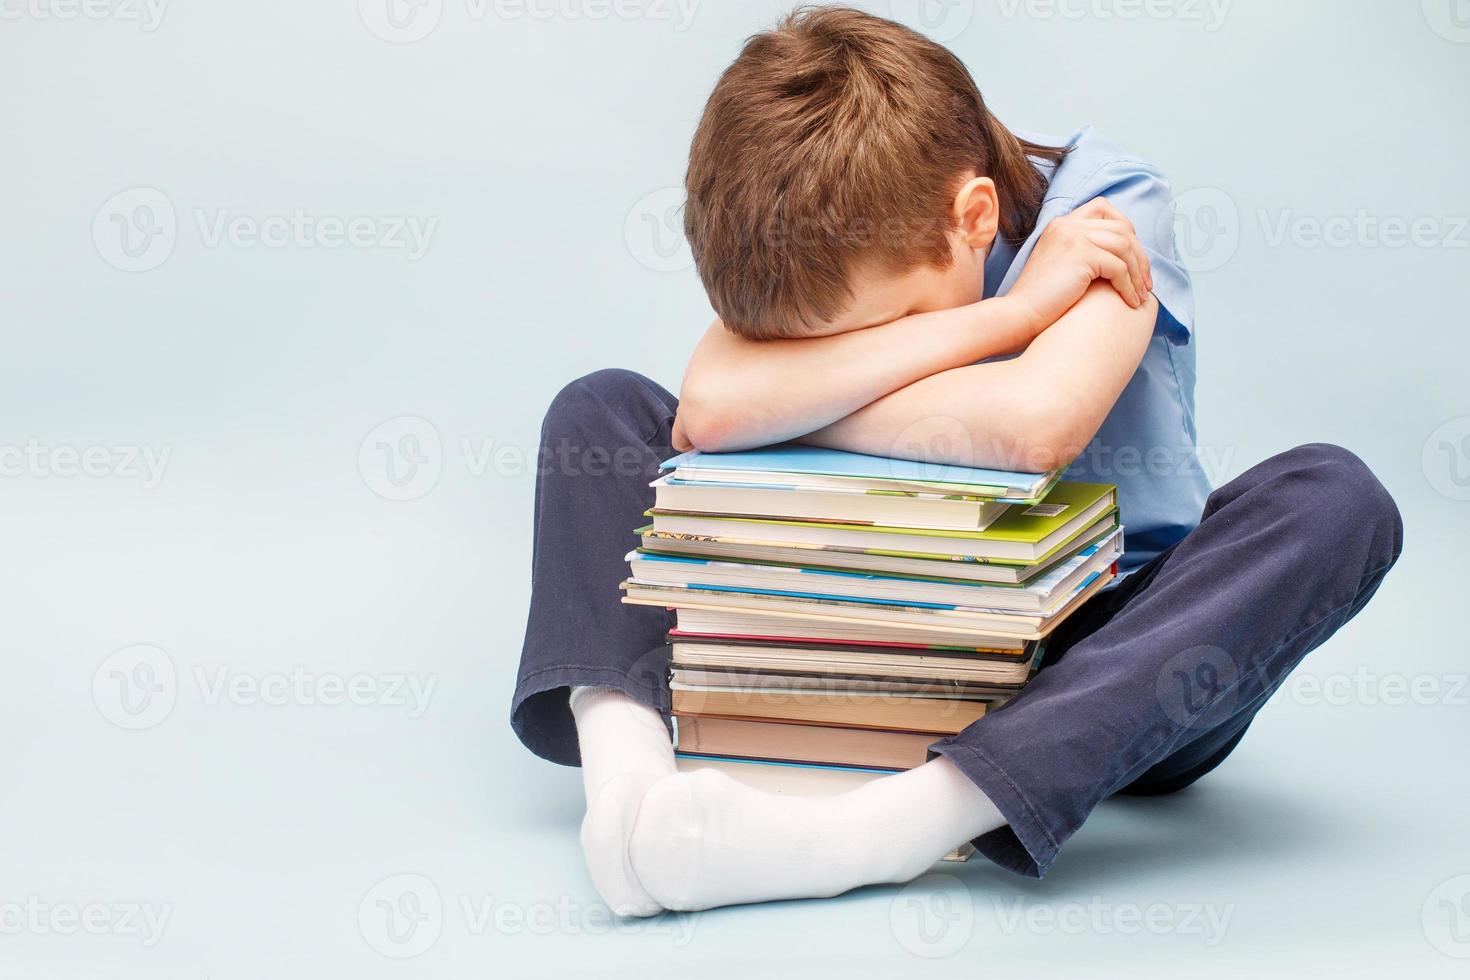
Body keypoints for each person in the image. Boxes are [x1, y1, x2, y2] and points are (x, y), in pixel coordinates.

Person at [510, 6, 1402, 916]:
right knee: (602, 409)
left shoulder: (1106, 210)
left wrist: (789, 405)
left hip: (1100, 663)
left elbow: (1032, 428)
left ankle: (895, 827)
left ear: (972, 217)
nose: (857, 358)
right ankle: (628, 784)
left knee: (1334, 499)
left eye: (887, 329)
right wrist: (1005, 319)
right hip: (859, 629)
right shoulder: (813, 225)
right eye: (813, 352)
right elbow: (706, 405)